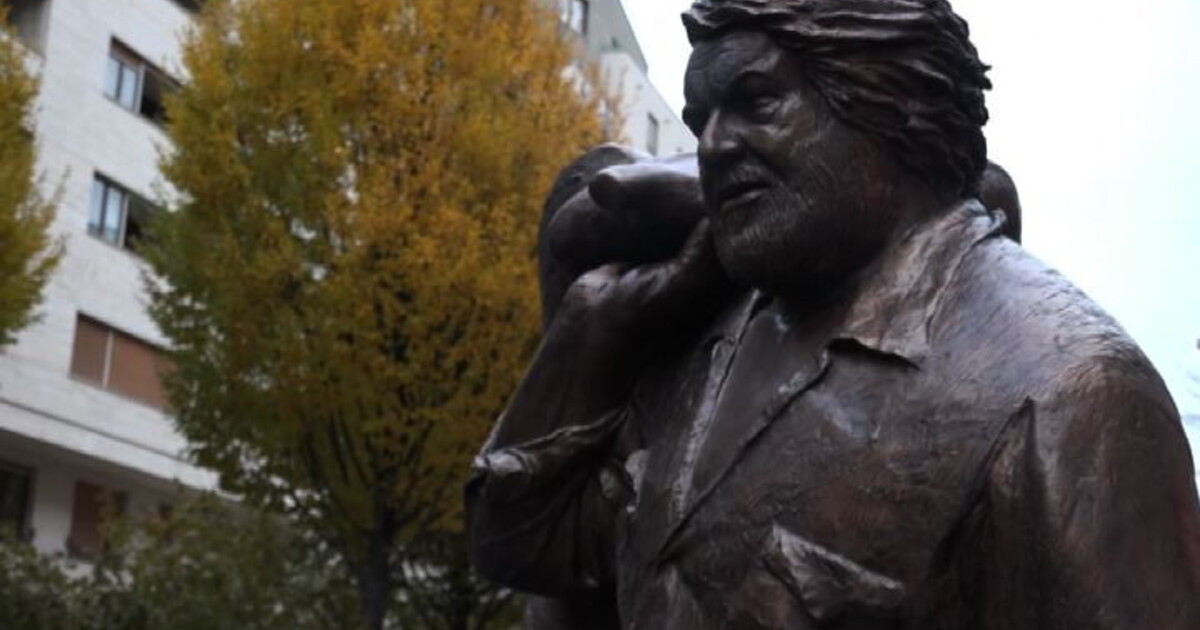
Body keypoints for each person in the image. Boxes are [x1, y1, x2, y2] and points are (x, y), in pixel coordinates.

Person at [468, 1, 1200, 628]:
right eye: (700, 120)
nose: (713, 147)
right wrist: (594, 324)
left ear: (890, 103)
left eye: (756, 103)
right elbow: (525, 547)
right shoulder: (702, 333)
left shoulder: (1069, 394)